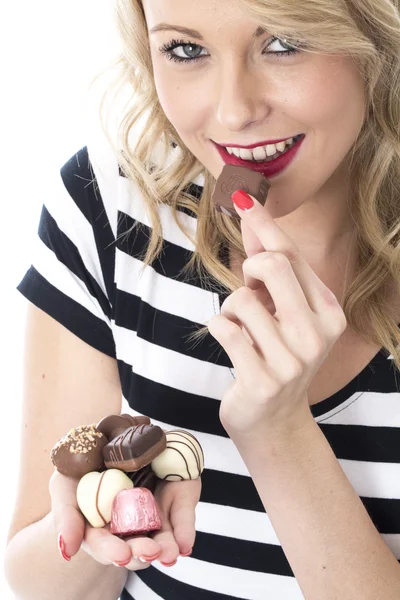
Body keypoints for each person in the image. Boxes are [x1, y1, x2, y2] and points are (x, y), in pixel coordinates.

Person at [4, 0, 400, 598]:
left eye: (285, 42)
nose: (234, 112)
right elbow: (38, 586)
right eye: (186, 50)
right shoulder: (114, 209)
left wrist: (278, 435)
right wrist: (111, 508)